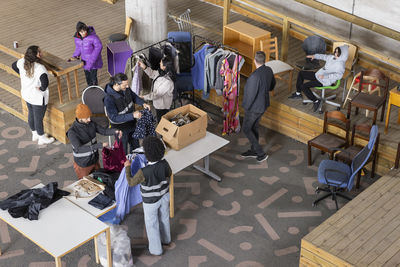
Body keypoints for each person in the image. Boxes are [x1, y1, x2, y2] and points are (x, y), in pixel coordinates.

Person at [124, 136, 172, 256]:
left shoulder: (143, 172)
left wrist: (127, 167)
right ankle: (166, 239)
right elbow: (169, 173)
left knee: (152, 224)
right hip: (164, 196)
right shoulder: (165, 163)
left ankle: (156, 249)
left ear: (147, 154)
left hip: (151, 202)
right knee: (164, 218)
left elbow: (130, 182)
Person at [12, 45, 55, 145]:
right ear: (37, 55)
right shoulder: (40, 68)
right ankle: (42, 138)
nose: (42, 53)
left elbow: (13, 66)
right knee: (38, 118)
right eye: (40, 52)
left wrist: (23, 75)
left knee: (31, 114)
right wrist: (42, 89)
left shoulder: (22, 61)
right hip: (37, 97)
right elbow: (45, 83)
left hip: (26, 94)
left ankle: (34, 134)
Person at [67, 104, 122, 179]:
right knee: (86, 184)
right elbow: (79, 149)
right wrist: (99, 145)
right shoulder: (72, 132)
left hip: (94, 160)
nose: (89, 119)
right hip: (83, 164)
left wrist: (115, 131)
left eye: (90, 117)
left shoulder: (91, 123)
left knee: (99, 180)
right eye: (86, 118)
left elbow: (104, 131)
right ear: (80, 118)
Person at [288, 45, 349, 112]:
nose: (336, 54)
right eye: (335, 51)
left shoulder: (340, 65)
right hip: (318, 75)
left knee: (304, 86)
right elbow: (324, 56)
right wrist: (315, 56)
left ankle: (316, 101)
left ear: (343, 54)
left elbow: (338, 76)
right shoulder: (332, 57)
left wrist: (325, 77)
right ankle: (298, 93)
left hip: (324, 81)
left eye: (338, 53)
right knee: (301, 73)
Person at [241, 51, 275, 162]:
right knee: (254, 127)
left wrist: (245, 107)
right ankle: (254, 150)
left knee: (246, 128)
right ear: (264, 60)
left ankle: (260, 153)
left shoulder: (254, 76)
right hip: (263, 104)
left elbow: (250, 95)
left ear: (254, 60)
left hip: (254, 108)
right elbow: (272, 85)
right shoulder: (268, 70)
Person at [104, 73, 151, 154]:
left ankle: (136, 162)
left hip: (131, 124)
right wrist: (132, 115)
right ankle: (125, 166)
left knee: (136, 146)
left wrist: (143, 103)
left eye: (127, 84)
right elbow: (114, 118)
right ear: (116, 84)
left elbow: (134, 96)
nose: (127, 86)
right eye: (124, 85)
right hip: (120, 129)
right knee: (123, 151)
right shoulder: (109, 99)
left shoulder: (126, 89)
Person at [138, 56, 175, 122]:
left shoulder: (168, 82)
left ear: (164, 67)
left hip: (162, 106)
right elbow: (152, 74)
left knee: (162, 121)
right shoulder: (161, 72)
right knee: (160, 118)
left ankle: (164, 131)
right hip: (157, 103)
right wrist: (144, 67)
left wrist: (144, 97)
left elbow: (156, 95)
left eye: (160, 63)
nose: (159, 63)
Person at [69, 21, 103, 86]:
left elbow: (98, 47)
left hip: (93, 61)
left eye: (85, 30)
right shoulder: (77, 38)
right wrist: (75, 56)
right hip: (84, 60)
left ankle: (95, 88)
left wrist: (91, 61)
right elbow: (78, 48)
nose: (84, 33)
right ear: (78, 32)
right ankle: (89, 87)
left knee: (93, 77)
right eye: (81, 32)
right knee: (87, 76)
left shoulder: (94, 37)